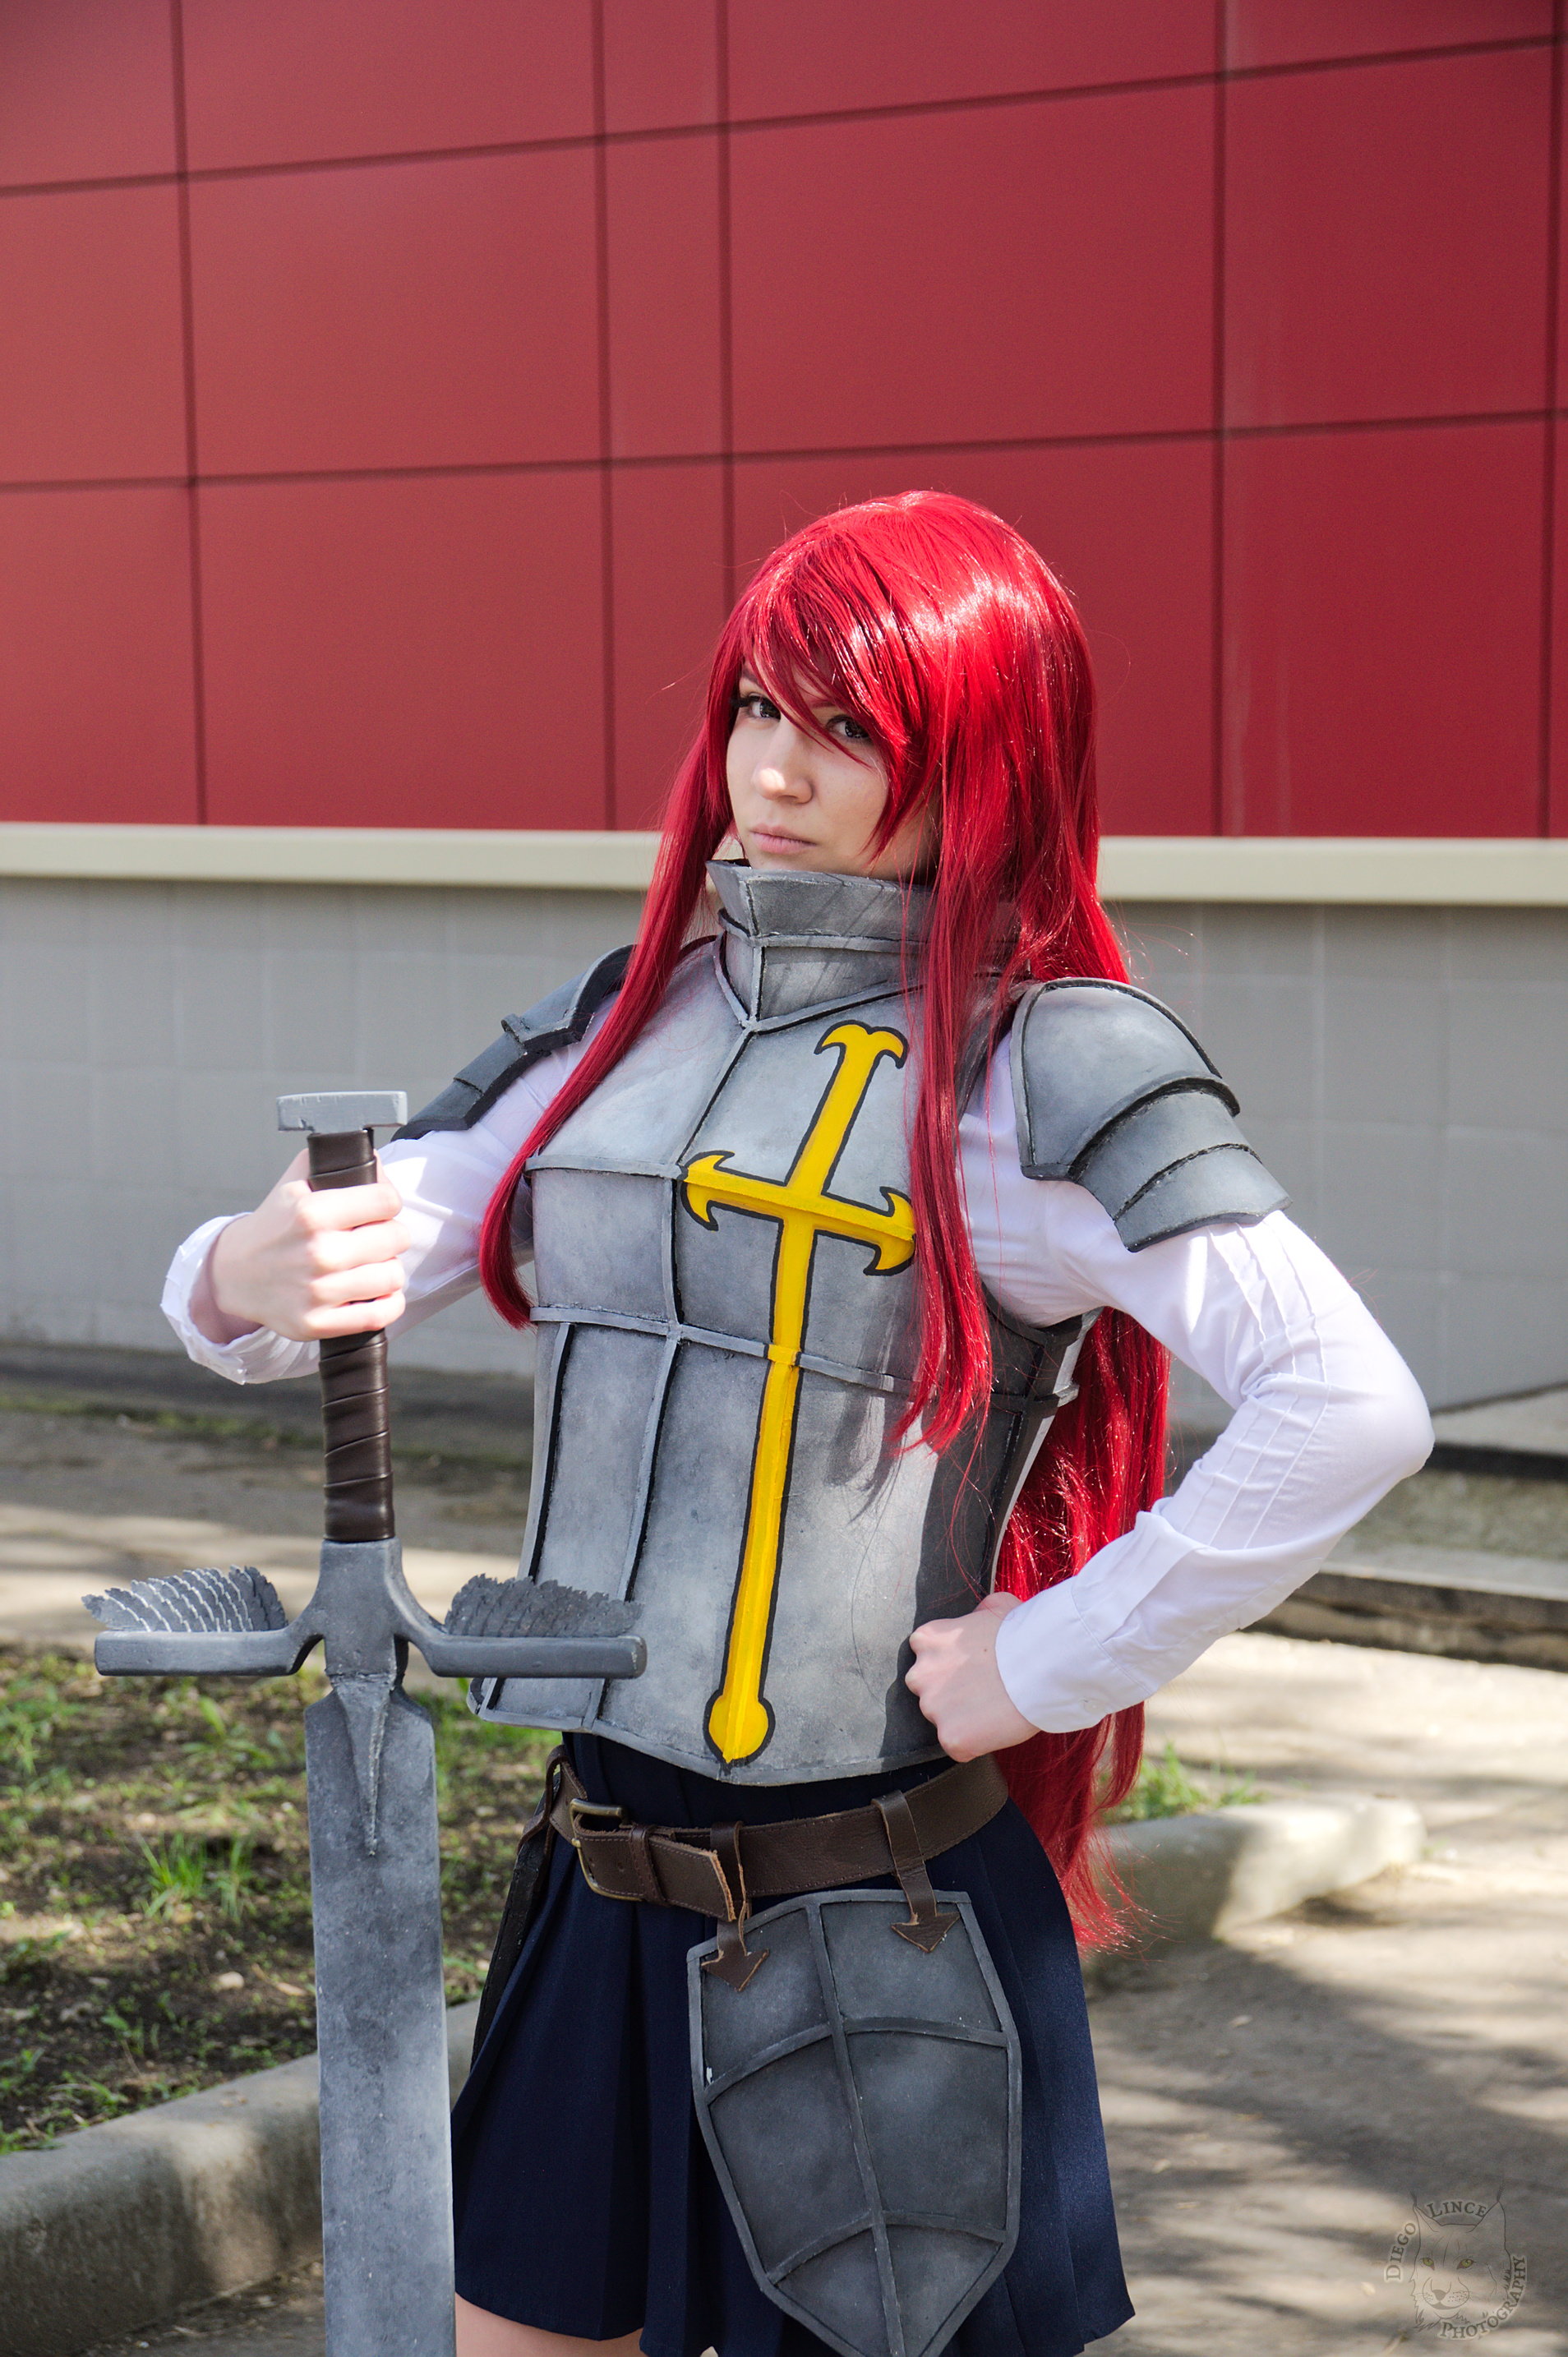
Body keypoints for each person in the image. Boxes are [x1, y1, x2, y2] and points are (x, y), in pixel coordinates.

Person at [163, 492, 1432, 2357]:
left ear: (984, 751)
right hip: (601, 1869)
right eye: (758, 706)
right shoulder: (633, 1021)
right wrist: (239, 1267)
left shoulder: (1044, 1067)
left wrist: (1054, 1657)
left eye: (849, 728)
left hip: (879, 1905)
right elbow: (321, 1284)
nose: (773, 770)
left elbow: (1352, 1407)